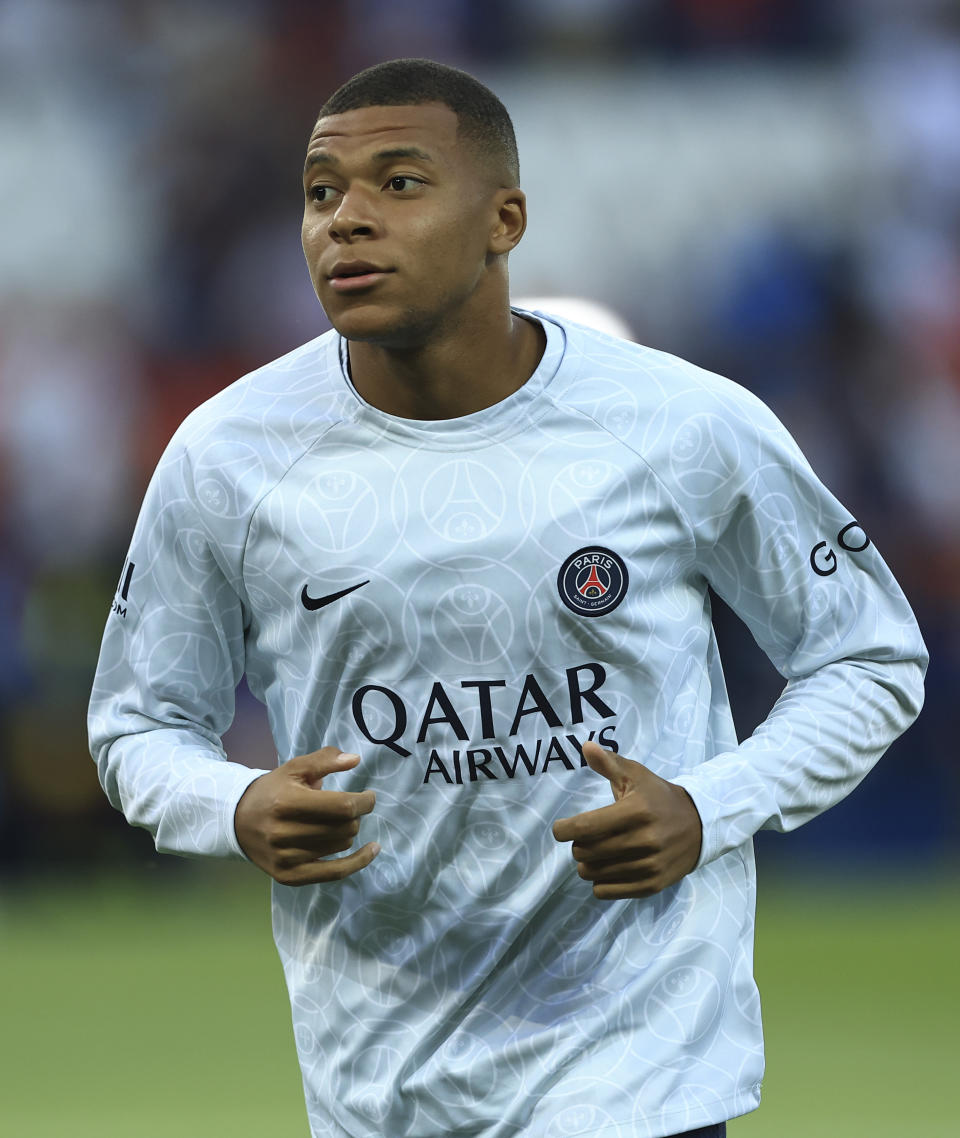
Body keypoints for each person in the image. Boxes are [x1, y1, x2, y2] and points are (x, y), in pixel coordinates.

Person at [88, 58, 926, 1138]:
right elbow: (138, 720)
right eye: (320, 191)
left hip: (642, 1065)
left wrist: (712, 806)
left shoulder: (680, 423)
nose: (346, 220)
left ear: (504, 219)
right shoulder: (228, 457)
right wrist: (233, 804)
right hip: (382, 1082)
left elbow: (868, 654)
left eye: (398, 183)